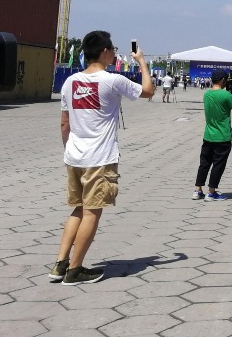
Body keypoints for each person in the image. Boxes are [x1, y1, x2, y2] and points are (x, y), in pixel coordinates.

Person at [51, 31, 155, 285]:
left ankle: (60, 264)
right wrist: (141, 61)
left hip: (74, 156)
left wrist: (69, 150)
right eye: (112, 49)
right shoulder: (112, 81)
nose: (114, 53)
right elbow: (148, 91)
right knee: (92, 212)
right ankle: (75, 271)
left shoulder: (70, 82)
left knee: (78, 208)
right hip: (100, 157)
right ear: (105, 52)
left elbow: (64, 123)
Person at [194, 69, 232, 201]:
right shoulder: (226, 95)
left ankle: (198, 190)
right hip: (222, 136)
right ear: (222, 80)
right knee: (218, 164)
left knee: (204, 163)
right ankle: (212, 192)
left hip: (208, 135)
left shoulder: (207, 94)